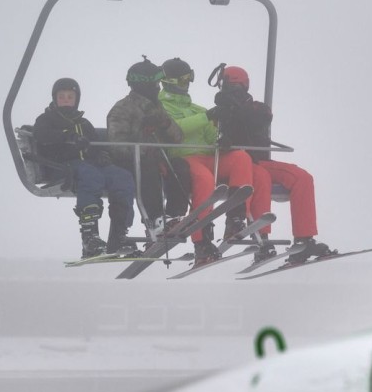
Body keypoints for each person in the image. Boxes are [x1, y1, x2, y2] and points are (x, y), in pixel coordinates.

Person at [208, 64, 332, 259]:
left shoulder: (255, 108)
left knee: (302, 177)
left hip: (259, 160)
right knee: (261, 177)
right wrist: (223, 115)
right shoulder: (218, 114)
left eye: (236, 88)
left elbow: (263, 117)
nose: (233, 92)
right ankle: (261, 237)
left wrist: (235, 107)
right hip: (238, 164)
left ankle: (304, 239)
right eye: (230, 88)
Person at [157, 57, 267, 260]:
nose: (187, 84)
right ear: (169, 82)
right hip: (184, 157)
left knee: (240, 158)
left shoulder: (197, 109)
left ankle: (235, 218)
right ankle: (202, 241)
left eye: (189, 78)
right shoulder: (160, 107)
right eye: (183, 80)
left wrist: (222, 138)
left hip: (208, 156)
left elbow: (209, 136)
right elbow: (177, 129)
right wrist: (207, 117)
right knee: (205, 180)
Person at [32, 77, 136, 258]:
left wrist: (102, 155)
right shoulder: (47, 119)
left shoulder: (83, 123)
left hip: (88, 165)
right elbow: (41, 134)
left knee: (122, 177)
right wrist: (67, 137)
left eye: (70, 97)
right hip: (61, 165)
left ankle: (118, 236)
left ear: (76, 99)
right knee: (91, 176)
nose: (66, 100)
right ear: (55, 98)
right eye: (62, 96)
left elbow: (95, 146)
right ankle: (90, 238)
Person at [106, 58, 191, 232]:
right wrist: (143, 136)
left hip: (157, 159)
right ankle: (154, 219)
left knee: (180, 166)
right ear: (141, 85)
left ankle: (174, 215)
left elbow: (178, 138)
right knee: (148, 167)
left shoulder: (157, 107)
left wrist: (165, 124)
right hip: (131, 163)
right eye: (154, 83)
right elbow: (117, 146)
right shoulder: (122, 108)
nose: (157, 87)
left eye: (158, 83)